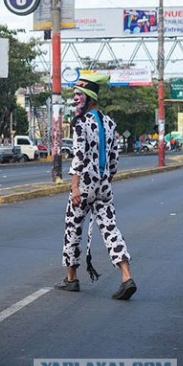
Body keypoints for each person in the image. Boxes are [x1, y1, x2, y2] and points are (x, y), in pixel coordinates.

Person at [55, 73, 137, 300]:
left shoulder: (81, 124)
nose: (74, 100)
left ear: (89, 99)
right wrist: (106, 181)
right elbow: (113, 161)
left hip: (84, 185)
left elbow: (78, 157)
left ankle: (71, 279)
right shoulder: (110, 123)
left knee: (73, 229)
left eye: (78, 96)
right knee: (110, 229)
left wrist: (75, 188)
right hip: (103, 186)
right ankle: (126, 276)